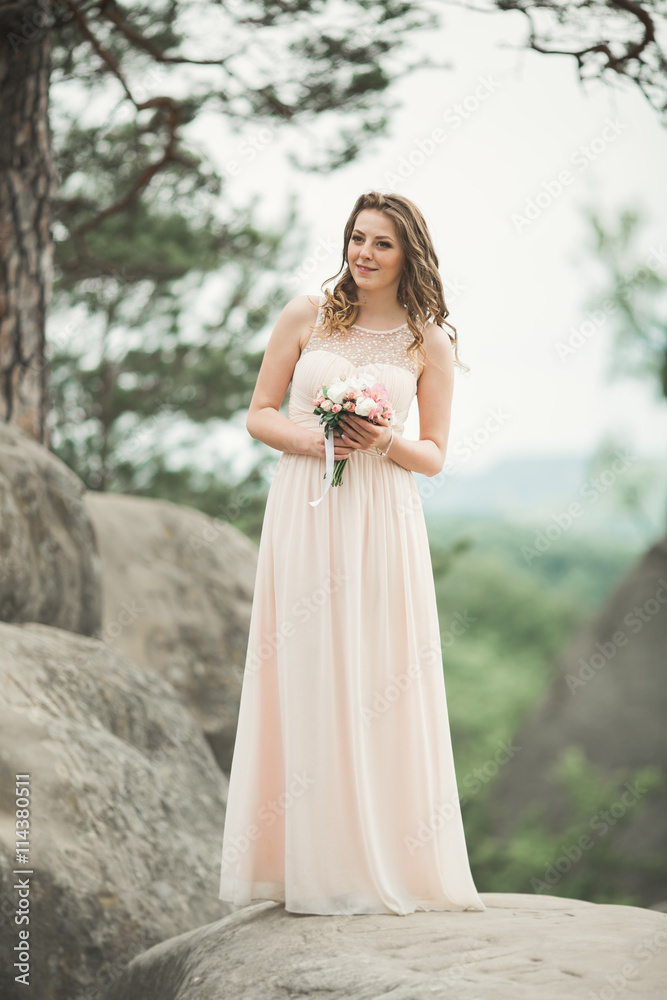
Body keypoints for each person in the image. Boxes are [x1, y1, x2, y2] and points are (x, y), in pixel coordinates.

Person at [218, 190, 486, 916]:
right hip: (305, 508)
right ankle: (303, 864)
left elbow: (431, 454)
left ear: (408, 256)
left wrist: (381, 440)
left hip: (380, 518)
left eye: (381, 244)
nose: (362, 254)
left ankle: (381, 861)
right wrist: (315, 437)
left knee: (375, 677)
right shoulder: (306, 315)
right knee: (305, 669)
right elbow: (258, 413)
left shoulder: (427, 341)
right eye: (356, 238)